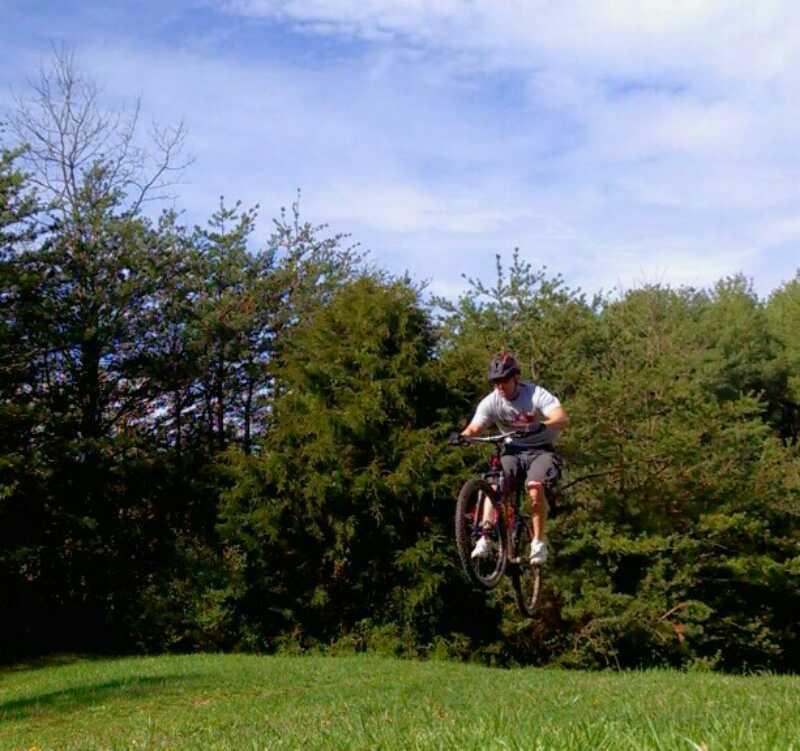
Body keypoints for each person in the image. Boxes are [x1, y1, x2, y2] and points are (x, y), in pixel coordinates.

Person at [460, 352, 569, 565]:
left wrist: (542, 424)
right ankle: (485, 537)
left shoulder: (535, 394)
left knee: (535, 488)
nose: (500, 386)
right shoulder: (491, 401)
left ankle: (538, 543)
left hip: (541, 451)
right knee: (495, 485)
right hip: (512, 451)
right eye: (495, 382)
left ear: (515, 378)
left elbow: (562, 417)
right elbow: (475, 426)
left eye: (504, 381)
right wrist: (462, 436)